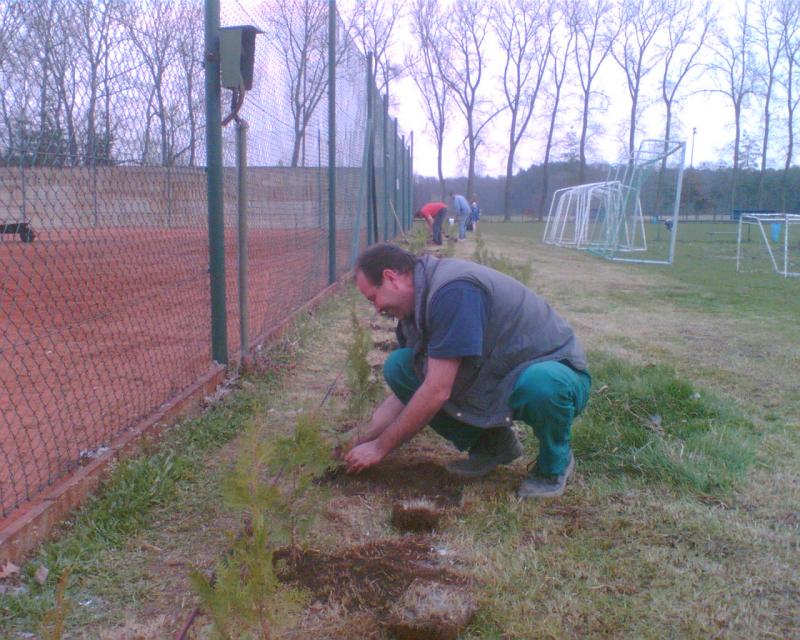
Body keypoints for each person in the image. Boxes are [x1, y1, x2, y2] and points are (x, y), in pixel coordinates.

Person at [342, 243, 591, 498]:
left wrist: (380, 447)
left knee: (541, 384)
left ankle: (554, 464)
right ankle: (492, 445)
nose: (377, 309)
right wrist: (360, 436)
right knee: (401, 368)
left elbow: (436, 390)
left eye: (373, 298)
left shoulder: (453, 290)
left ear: (390, 277)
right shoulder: (414, 312)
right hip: (495, 371)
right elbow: (411, 392)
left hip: (555, 370)